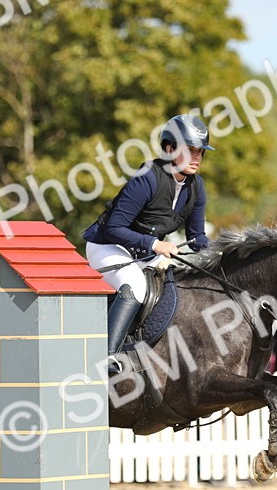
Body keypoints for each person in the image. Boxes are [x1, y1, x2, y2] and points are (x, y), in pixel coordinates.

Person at [82, 114, 214, 374]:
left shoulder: (196, 187)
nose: (197, 157)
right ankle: (106, 358)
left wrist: (224, 253)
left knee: (178, 285)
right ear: (169, 149)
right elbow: (114, 227)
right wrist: (154, 244)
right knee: (136, 284)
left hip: (144, 253)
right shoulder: (148, 178)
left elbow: (198, 237)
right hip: (107, 246)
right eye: (190, 150)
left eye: (200, 152)